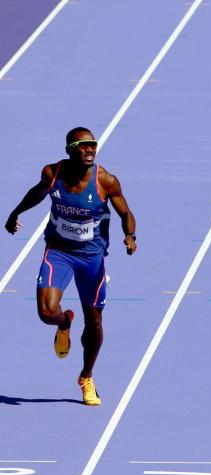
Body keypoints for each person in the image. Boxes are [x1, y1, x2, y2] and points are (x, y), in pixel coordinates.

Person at [4, 127, 137, 405]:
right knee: (46, 312)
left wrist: (130, 235)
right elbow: (37, 193)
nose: (90, 149)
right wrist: (15, 212)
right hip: (59, 252)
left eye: (93, 145)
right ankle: (64, 321)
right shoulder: (53, 174)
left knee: (95, 323)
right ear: (70, 149)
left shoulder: (105, 180)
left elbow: (126, 212)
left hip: (91, 258)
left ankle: (86, 377)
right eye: (83, 145)